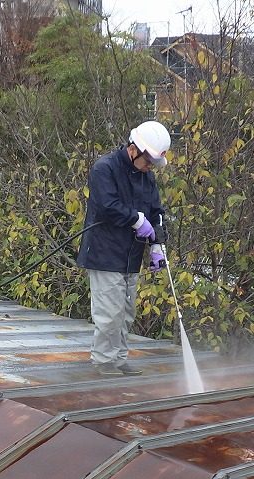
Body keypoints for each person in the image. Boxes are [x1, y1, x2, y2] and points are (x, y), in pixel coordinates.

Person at [76, 120, 171, 376]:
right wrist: (136, 220)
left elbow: (156, 212)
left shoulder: (146, 177)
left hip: (130, 256)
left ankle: (118, 360)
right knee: (110, 313)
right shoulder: (105, 168)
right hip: (103, 253)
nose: (150, 166)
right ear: (134, 149)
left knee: (126, 312)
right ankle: (104, 362)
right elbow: (107, 206)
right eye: (148, 160)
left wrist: (157, 244)